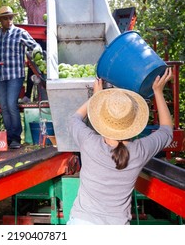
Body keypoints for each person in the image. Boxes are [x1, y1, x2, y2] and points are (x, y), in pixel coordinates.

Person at [67, 67, 173, 225]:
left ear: (101, 121)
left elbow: (73, 120)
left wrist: (95, 99)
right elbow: (167, 131)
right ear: (133, 124)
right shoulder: (139, 152)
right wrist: (157, 91)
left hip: (82, 223)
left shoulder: (89, 143)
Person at [0, 6, 42, 149]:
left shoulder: (20, 33)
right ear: (0, 20)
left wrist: (38, 55)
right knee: (4, 107)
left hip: (15, 75)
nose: (9, 20)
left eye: (10, 17)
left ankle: (16, 137)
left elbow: (34, 46)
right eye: (5, 18)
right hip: (0, 75)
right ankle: (9, 137)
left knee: (11, 104)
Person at [16, 0, 48, 103]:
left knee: (42, 65)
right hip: (31, 38)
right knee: (31, 65)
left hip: (44, 39)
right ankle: (28, 95)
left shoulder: (48, 5)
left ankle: (44, 94)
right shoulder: (31, 3)